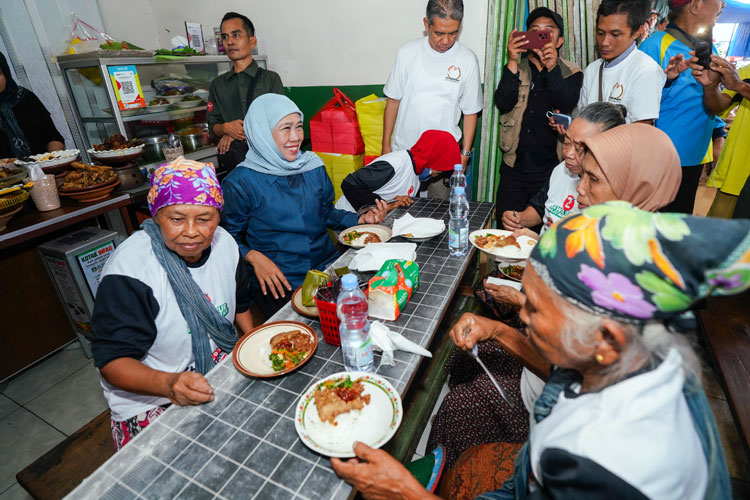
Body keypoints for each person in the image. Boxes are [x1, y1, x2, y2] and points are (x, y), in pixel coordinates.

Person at [334, 201, 745, 500]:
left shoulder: (604, 463)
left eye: (533, 305)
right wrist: (498, 328)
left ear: (605, 338)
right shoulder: (639, 354)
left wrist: (405, 494)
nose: (523, 314)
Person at [430, 122, 682, 469]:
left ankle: (485, 464)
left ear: (633, 186)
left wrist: (499, 330)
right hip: (549, 376)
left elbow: (564, 372)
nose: (579, 191)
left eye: (593, 180)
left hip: (559, 415)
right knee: (463, 358)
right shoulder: (615, 239)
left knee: (457, 408)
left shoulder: (629, 282)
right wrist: (522, 304)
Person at [91, 157, 253, 450]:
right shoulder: (130, 272)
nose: (192, 231)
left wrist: (252, 342)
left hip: (214, 367)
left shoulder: (225, 244)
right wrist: (169, 385)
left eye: (205, 218)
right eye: (176, 219)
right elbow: (112, 363)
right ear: (154, 216)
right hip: (154, 394)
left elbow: (240, 302)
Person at [221, 94, 387, 318]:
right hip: (280, 278)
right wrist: (251, 256)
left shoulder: (312, 166)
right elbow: (225, 237)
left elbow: (326, 212)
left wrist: (360, 219)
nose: (295, 137)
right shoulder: (240, 182)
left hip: (327, 264)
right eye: (285, 128)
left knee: (361, 312)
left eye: (299, 127)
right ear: (262, 133)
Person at [382, 0, 482, 198]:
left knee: (439, 218)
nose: (445, 40)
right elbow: (393, 101)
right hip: (405, 154)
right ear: (426, 24)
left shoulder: (467, 59)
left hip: (443, 159)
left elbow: (470, 112)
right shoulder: (407, 53)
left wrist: (465, 154)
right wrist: (385, 146)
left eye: (452, 33)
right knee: (399, 214)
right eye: (439, 33)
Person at [494, 7, 583, 225]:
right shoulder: (516, 68)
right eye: (535, 31)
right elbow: (503, 102)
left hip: (550, 170)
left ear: (559, 41)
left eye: (547, 32)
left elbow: (566, 102)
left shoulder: (572, 72)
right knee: (506, 230)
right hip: (514, 168)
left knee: (541, 234)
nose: (541, 35)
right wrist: (512, 60)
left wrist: (552, 66)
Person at [639, 0, 725, 213]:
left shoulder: (707, 47)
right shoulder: (654, 45)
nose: (723, 4)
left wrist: (718, 132)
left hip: (693, 157)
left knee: (679, 220)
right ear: (695, 5)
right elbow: (637, 101)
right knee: (656, 224)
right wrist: (667, 80)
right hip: (662, 159)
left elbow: (701, 98)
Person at [500, 102, 626, 236]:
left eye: (578, 148)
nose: (568, 153)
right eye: (566, 143)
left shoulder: (612, 194)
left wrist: (538, 243)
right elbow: (541, 207)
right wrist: (519, 219)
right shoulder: (562, 170)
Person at [207, 12, 285, 171]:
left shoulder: (270, 79)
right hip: (237, 167)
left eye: (236, 35)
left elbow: (281, 122)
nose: (230, 42)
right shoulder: (218, 84)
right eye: (225, 37)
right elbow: (212, 125)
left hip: (269, 163)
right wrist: (225, 129)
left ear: (252, 42)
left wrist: (238, 133)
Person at [578, 0, 666, 124]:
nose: (604, 42)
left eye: (615, 35)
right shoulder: (592, 69)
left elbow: (640, 132)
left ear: (637, 32)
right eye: (600, 33)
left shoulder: (646, 70)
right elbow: (583, 119)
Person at [336, 129, 460, 213]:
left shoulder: (417, 168)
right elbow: (348, 184)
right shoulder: (393, 166)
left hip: (374, 218)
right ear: (433, 159)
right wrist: (387, 204)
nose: (434, 175)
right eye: (438, 172)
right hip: (350, 216)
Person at [702, 56, 750, 218]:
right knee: (717, 237)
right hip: (737, 176)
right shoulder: (746, 71)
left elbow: (739, 86)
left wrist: (741, 87)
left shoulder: (741, 81)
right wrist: (710, 85)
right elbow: (717, 107)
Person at [0, 52, 64, 158]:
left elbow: (53, 136)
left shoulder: (25, 98)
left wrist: (53, 159)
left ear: (6, 73)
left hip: (43, 169)